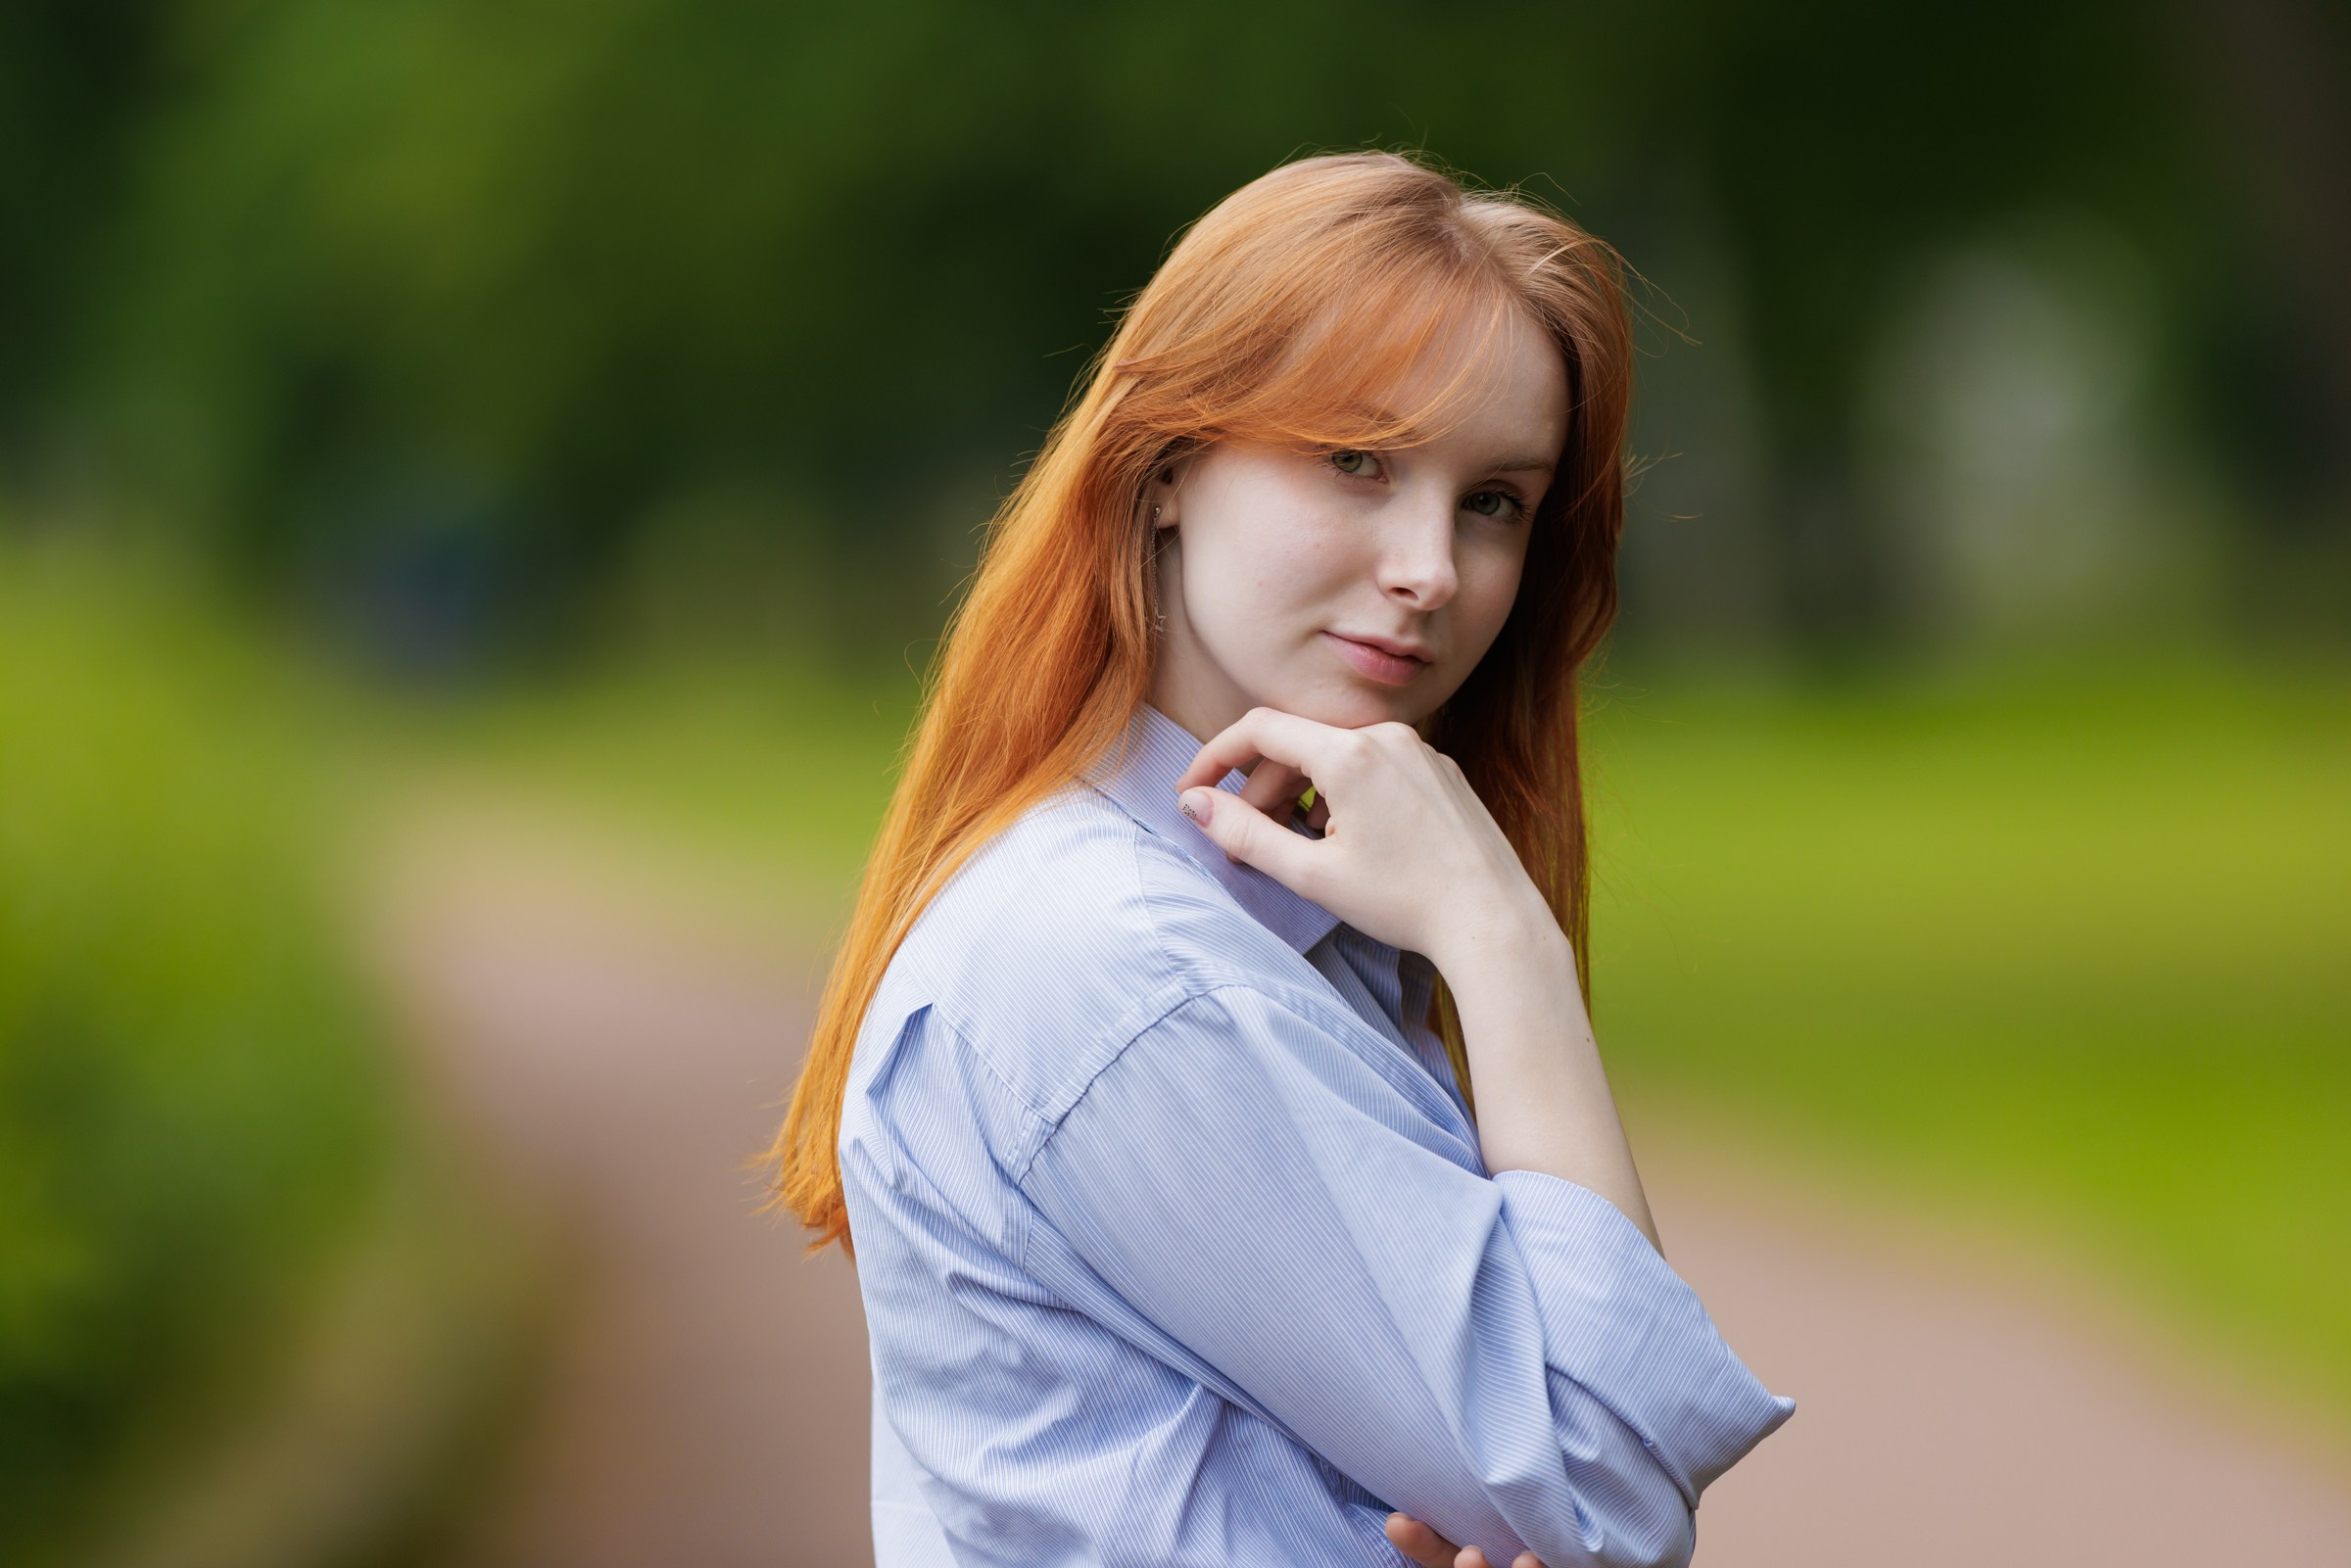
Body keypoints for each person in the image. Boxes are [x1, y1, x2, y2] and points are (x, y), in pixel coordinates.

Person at [760, 150, 1795, 1568]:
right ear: (1170, 462)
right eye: (1357, 461)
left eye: (1494, 499)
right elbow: (1606, 1486)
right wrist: (1503, 938)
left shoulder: (1289, 921)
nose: (1431, 566)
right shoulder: (1132, 967)